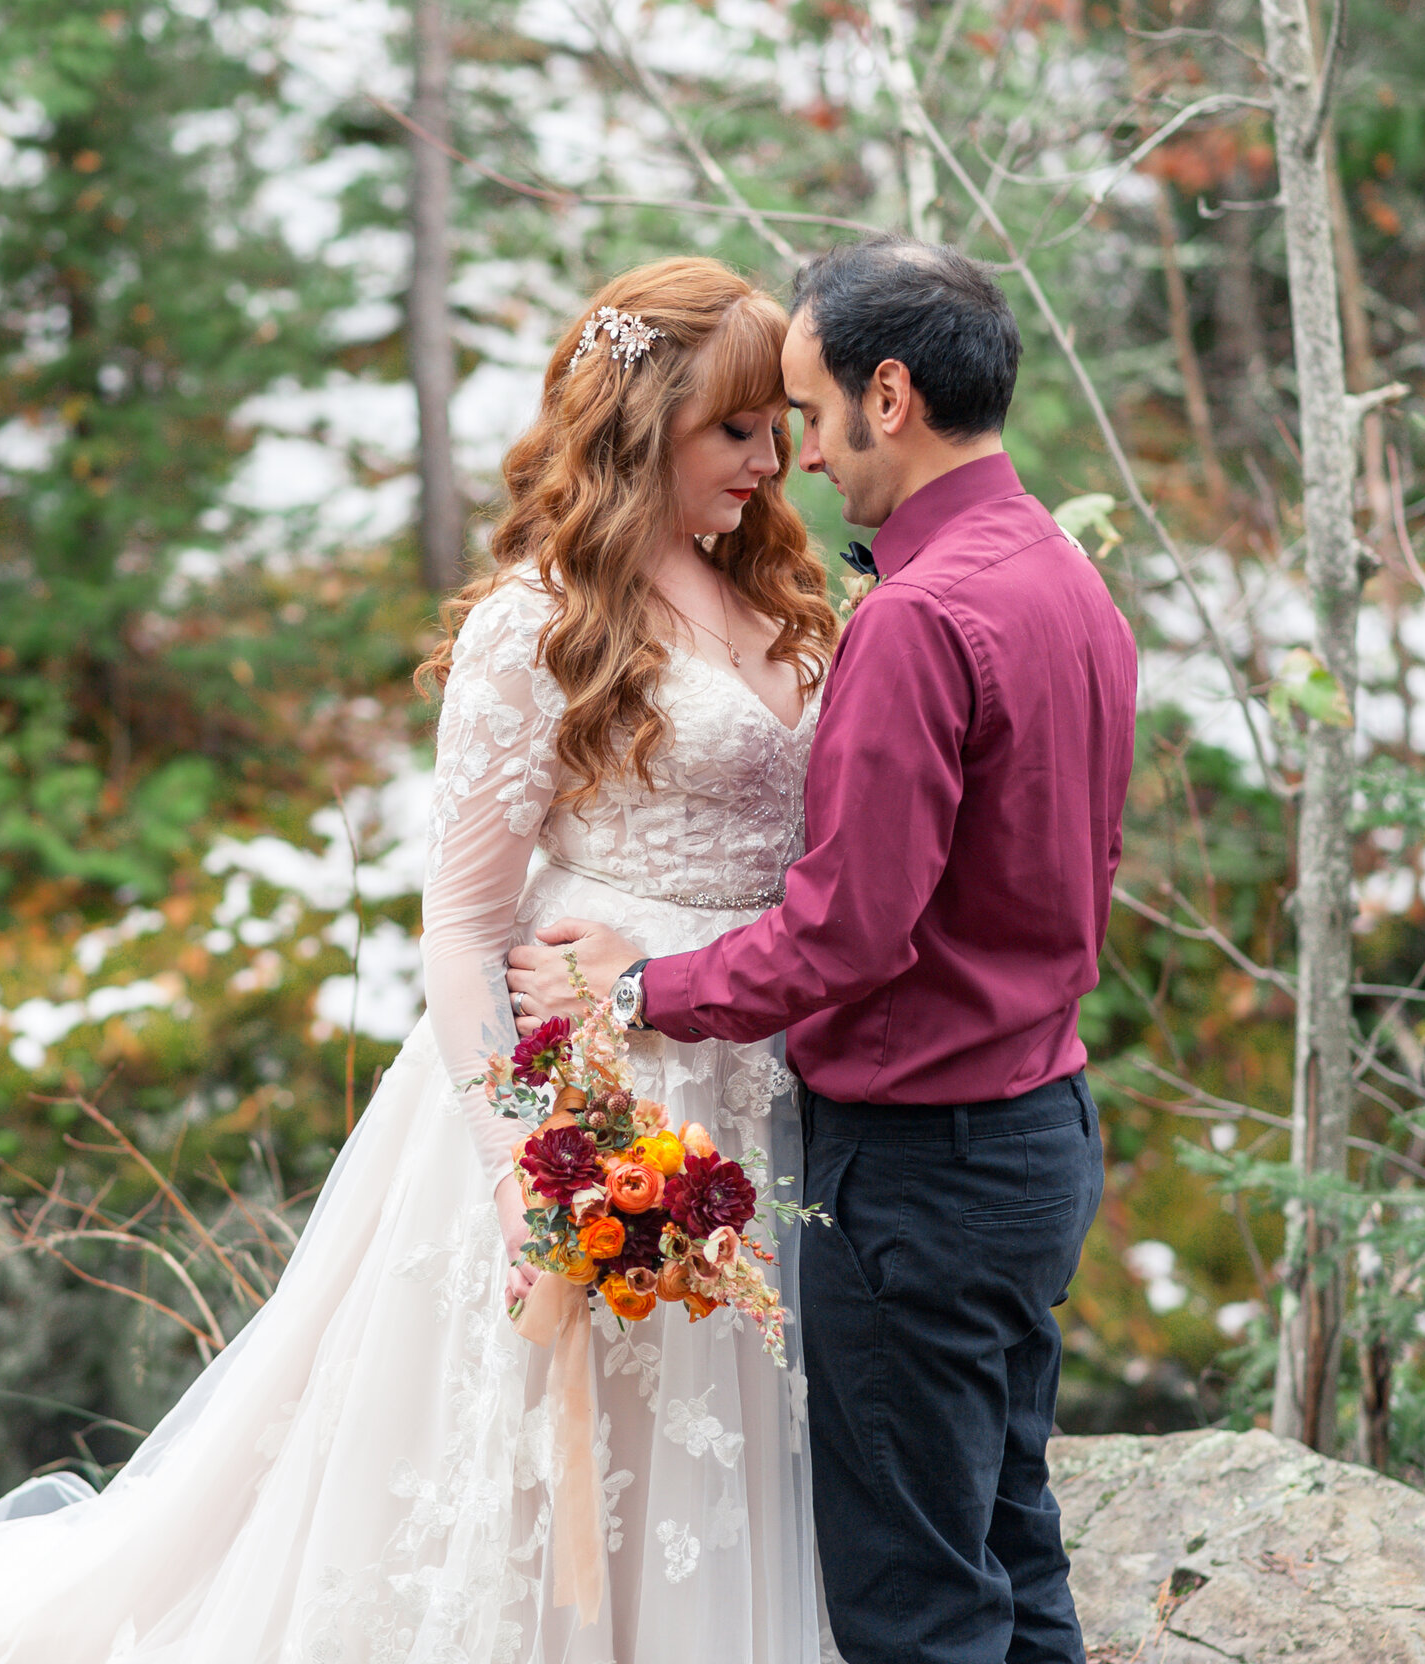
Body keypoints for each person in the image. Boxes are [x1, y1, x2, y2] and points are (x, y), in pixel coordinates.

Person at [0, 255, 838, 1663]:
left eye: (777, 425)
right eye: (736, 428)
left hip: (763, 1082)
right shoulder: (537, 625)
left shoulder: (786, 594)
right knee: (550, 1490)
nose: (774, 456)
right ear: (645, 420)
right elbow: (463, 927)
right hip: (587, 1103)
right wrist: (513, 1165)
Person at [507, 235, 1138, 1664]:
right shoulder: (1061, 576)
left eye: (807, 409)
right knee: (1008, 1545)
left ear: (892, 397)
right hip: (1043, 1131)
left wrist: (641, 986)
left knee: (918, 1607)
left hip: (919, 1172)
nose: (797, 459)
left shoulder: (917, 620)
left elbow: (851, 927)